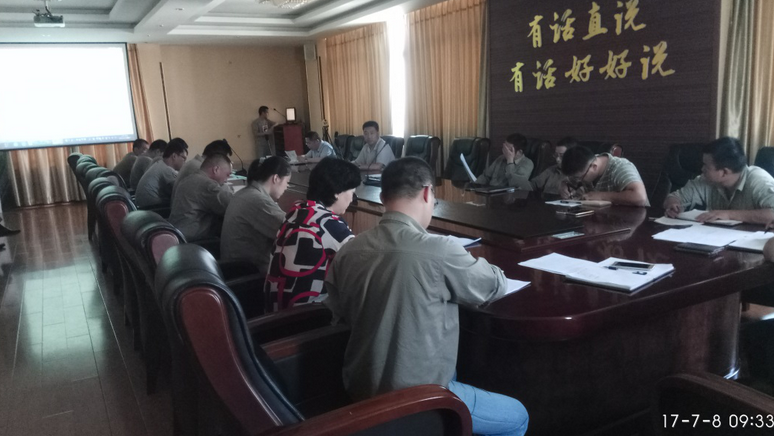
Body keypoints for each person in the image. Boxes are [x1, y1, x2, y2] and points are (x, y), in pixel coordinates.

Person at [324, 157, 529, 436]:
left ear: (382, 198)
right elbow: (495, 284)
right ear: (426, 192)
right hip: (417, 400)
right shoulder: (439, 250)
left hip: (359, 388)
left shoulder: (349, 250)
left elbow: (339, 313)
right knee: (518, 416)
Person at [265, 157, 360, 311]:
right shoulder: (330, 224)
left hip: (275, 314)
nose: (352, 199)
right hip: (306, 318)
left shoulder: (297, 212)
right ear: (337, 192)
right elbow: (363, 265)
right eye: (352, 193)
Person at [664, 137, 774, 224]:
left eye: (706, 166)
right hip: (715, 239)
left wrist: (729, 215)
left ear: (724, 172)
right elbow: (674, 197)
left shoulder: (759, 181)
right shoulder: (706, 180)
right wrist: (673, 204)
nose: (702, 169)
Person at [221, 157, 291, 275]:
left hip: (235, 266)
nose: (287, 187)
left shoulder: (246, 193)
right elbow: (292, 230)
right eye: (287, 182)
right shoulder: (257, 201)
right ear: (275, 178)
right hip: (248, 271)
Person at [169, 154, 234, 241]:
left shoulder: (190, 178)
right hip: (193, 241)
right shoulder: (207, 185)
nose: (227, 179)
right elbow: (233, 205)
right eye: (227, 174)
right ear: (216, 169)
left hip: (178, 234)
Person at [560, 145, 650, 206]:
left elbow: (640, 197)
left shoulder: (620, 167)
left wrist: (601, 196)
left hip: (634, 220)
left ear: (594, 167)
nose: (578, 181)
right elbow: (570, 179)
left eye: (580, 178)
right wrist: (564, 184)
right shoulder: (586, 165)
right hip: (602, 218)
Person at [134, 140, 188, 208]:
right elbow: (182, 190)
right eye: (184, 158)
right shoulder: (166, 170)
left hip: (143, 207)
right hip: (153, 209)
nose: (185, 162)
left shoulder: (160, 164)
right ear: (174, 156)